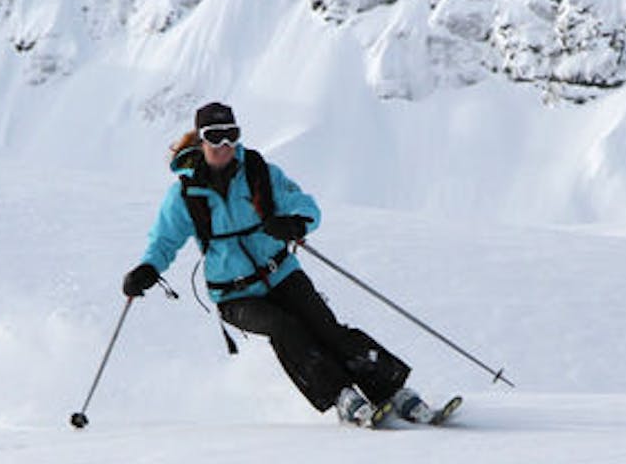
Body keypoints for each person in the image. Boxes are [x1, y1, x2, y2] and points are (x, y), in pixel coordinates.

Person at [122, 102, 441, 426]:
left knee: (326, 328)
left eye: (231, 135)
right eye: (214, 136)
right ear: (200, 141)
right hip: (234, 294)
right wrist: (147, 269)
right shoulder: (185, 194)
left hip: (281, 272)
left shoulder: (259, 172)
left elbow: (305, 206)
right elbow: (163, 241)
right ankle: (341, 397)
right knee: (284, 327)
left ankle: (394, 392)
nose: (224, 146)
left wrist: (295, 224)